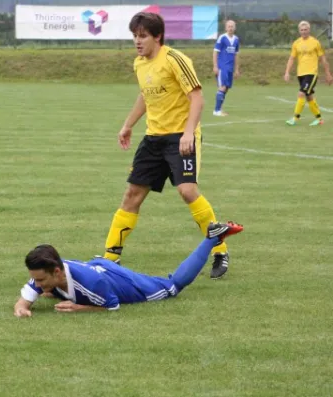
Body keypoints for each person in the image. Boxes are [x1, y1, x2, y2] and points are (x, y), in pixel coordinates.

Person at [101, 12, 231, 280]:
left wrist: (187, 133)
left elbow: (197, 97)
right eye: (134, 36)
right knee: (132, 194)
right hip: (153, 138)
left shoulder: (174, 59)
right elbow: (145, 95)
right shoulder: (140, 63)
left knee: (187, 191)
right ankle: (110, 259)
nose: (137, 41)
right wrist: (128, 125)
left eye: (143, 36)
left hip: (179, 137)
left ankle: (220, 250)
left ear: (157, 36)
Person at [14, 222, 243, 317]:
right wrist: (22, 308)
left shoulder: (91, 285)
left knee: (172, 286)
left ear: (56, 272)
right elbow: (24, 299)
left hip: (118, 280)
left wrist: (79, 308)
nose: (36, 283)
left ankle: (212, 237)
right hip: (98, 266)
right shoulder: (48, 270)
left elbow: (111, 306)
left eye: (40, 280)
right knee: (48, 291)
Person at [284, 21, 333, 126]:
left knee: (301, 93)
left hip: (311, 73)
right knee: (309, 96)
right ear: (299, 31)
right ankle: (319, 119)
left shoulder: (315, 42)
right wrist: (287, 72)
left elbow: (323, 59)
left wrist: (328, 74)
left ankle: (295, 118)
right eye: (302, 30)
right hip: (300, 73)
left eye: (306, 30)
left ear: (309, 30)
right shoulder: (296, 43)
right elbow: (292, 58)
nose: (304, 32)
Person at [212, 20, 240, 117]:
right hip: (222, 67)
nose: (230, 28)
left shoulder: (236, 39)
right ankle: (216, 111)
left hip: (230, 68)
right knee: (222, 87)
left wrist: (236, 69)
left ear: (235, 28)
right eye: (229, 26)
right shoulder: (222, 38)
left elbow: (236, 55)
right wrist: (215, 66)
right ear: (226, 28)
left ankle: (219, 109)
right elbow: (215, 52)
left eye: (232, 26)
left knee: (226, 88)